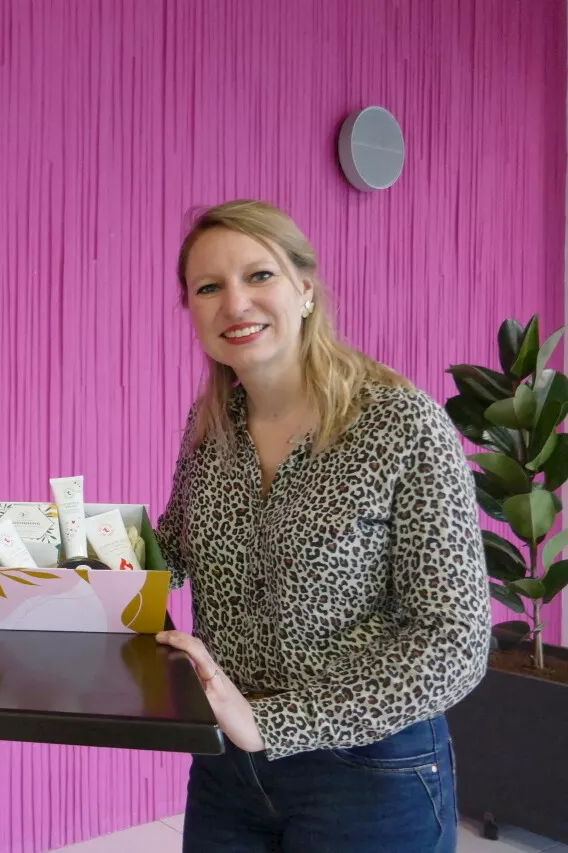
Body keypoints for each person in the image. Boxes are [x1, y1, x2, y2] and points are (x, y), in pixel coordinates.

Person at [153, 200, 490, 852]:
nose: (235, 304)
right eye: (209, 287)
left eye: (259, 276)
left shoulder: (399, 424)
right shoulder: (209, 428)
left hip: (370, 768)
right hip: (228, 764)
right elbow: (175, 548)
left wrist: (275, 722)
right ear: (191, 310)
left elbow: (455, 644)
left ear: (305, 288)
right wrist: (60, 562)